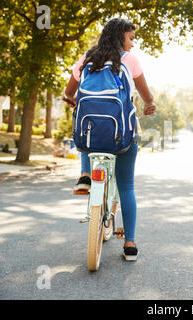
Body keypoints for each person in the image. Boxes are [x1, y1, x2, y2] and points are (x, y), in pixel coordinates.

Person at [63, 18, 156, 261]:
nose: (133, 44)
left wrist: (71, 100)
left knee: (87, 124)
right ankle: (130, 244)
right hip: (123, 135)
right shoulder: (129, 60)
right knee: (126, 186)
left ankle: (85, 176)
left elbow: (68, 91)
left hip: (92, 138)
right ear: (120, 38)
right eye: (131, 38)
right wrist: (149, 104)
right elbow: (146, 94)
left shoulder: (87, 59)